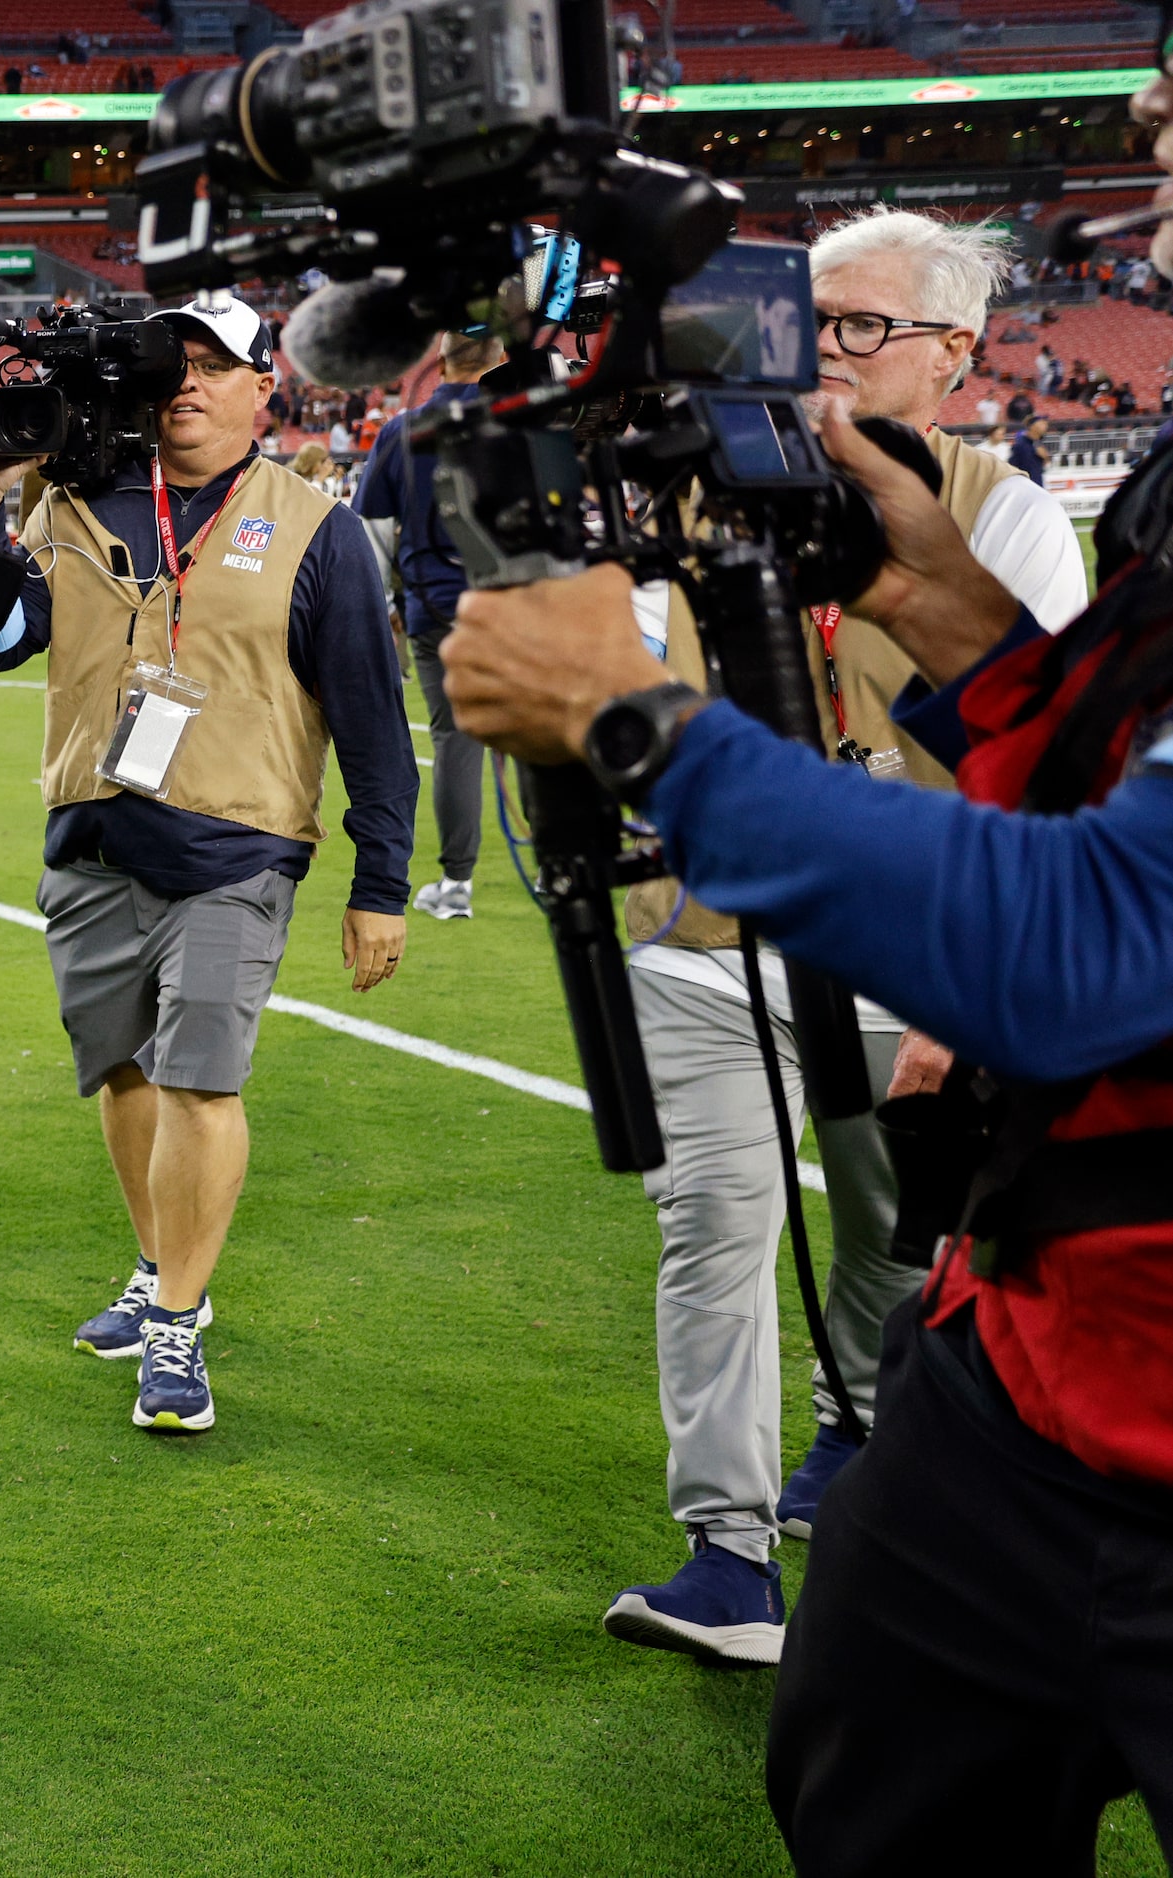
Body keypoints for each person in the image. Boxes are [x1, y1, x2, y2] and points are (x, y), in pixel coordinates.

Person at [441, 351, 1173, 1870]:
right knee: (875, 1798)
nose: (1162, 119)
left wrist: (640, 730)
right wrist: (947, 610)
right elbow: (1118, 775)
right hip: (1036, 1372)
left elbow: (1093, 949)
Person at [589, 207, 1089, 1669]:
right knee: (715, 1233)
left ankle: (853, 1425)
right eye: (808, 322)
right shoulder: (688, 500)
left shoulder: (1004, 515)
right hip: (700, 940)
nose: (822, 353)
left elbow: (1053, 773)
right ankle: (725, 1553)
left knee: (892, 1229)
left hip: (910, 945)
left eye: (861, 327)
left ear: (953, 351)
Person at [0, 290, 414, 1434]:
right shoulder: (75, 500)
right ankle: (164, 1276)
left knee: (203, 1079)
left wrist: (382, 883)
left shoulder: (316, 524)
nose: (189, 385)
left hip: (234, 845)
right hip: (92, 835)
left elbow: (372, 713)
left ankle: (174, 1325)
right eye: (175, 364)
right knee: (123, 1073)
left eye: (218, 366)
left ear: (268, 388)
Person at [357, 329, 500, 920]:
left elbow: (373, 526)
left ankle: (458, 883)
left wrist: (389, 601)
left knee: (455, 741)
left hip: (436, 606)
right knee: (539, 734)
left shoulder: (401, 428)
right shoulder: (520, 419)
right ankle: (555, 870)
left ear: (439, 359)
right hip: (517, 603)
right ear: (498, 359)